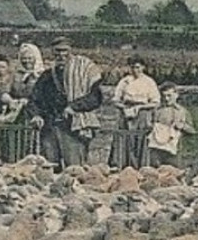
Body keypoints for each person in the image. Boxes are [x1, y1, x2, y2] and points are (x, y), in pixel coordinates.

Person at [27, 40, 104, 168]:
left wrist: (74, 106)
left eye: (64, 51)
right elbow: (34, 100)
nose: (61, 55)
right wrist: (36, 115)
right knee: (49, 167)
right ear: (53, 53)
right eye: (57, 51)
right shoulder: (47, 76)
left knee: (75, 168)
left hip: (73, 127)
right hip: (50, 126)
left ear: (70, 52)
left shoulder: (83, 73)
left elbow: (95, 98)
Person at [111, 58, 160, 167]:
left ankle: (141, 166)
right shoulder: (125, 81)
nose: (135, 70)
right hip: (126, 113)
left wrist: (140, 107)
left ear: (143, 67)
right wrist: (124, 108)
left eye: (137, 67)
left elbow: (155, 102)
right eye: (132, 67)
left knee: (141, 139)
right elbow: (115, 100)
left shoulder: (149, 82)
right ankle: (124, 165)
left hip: (142, 114)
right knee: (127, 139)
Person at [145, 84, 195, 167]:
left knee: (174, 174)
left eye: (169, 95)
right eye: (164, 96)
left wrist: (182, 126)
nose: (166, 99)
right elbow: (147, 127)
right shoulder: (156, 110)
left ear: (176, 95)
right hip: (156, 150)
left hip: (174, 150)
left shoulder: (182, 112)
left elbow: (192, 130)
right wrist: (152, 127)